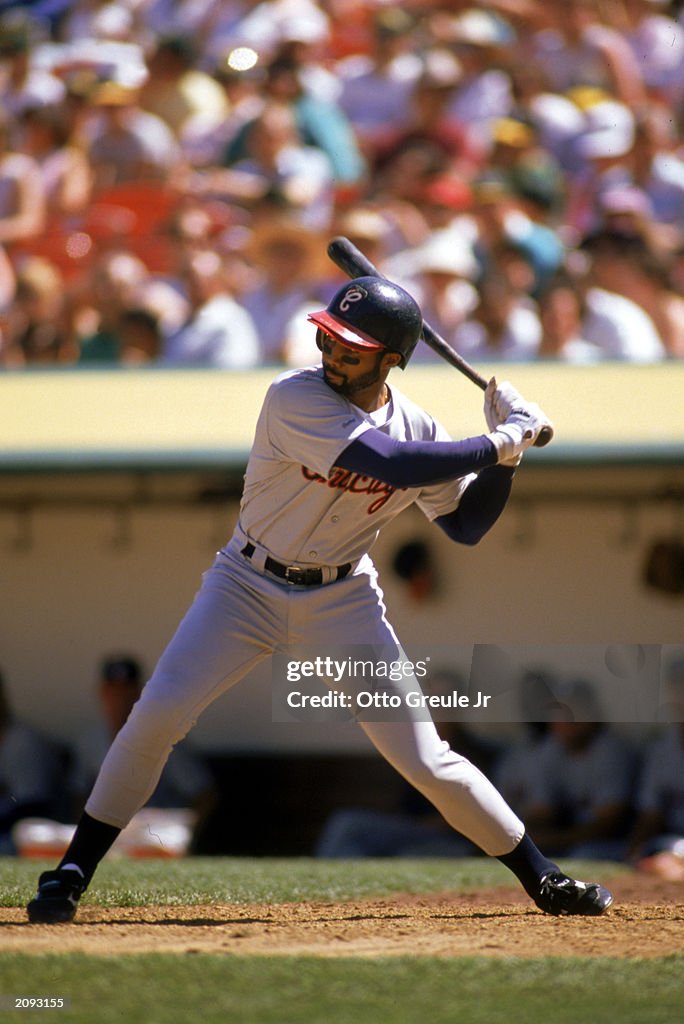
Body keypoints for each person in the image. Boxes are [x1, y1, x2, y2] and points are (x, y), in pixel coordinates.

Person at [27, 272, 613, 924]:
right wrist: (501, 438)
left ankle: (544, 879)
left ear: (392, 359)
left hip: (342, 599)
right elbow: (390, 463)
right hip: (243, 585)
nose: (333, 356)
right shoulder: (293, 397)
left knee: (425, 757)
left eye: (352, 349)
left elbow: (465, 525)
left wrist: (507, 462)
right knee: (156, 717)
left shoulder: (419, 423)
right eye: (330, 340)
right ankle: (71, 874)